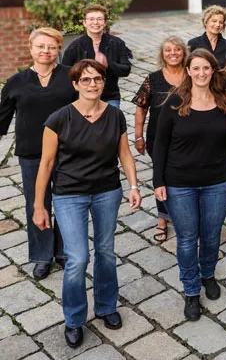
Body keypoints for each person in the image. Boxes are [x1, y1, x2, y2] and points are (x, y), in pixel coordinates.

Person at [33, 59, 142, 348]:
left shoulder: (115, 115)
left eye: (97, 79)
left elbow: (125, 154)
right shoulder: (58, 119)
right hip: (69, 194)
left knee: (105, 251)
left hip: (107, 191)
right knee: (78, 258)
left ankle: (106, 306)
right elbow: (46, 164)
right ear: (75, 84)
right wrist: (39, 206)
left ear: (103, 83)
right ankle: (74, 319)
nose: (92, 84)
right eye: (86, 79)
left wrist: (133, 185)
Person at [153, 49, 226, 321]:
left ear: (213, 70)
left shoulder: (223, 100)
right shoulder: (174, 102)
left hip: (217, 181)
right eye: (196, 68)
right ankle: (191, 289)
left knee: (212, 235)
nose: (202, 73)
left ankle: (208, 274)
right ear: (188, 71)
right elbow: (160, 144)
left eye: (206, 68)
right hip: (180, 183)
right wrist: (158, 181)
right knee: (188, 238)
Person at [0, 28, 76, 280]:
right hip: (32, 153)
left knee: (66, 201)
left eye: (52, 47)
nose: (46, 51)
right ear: (30, 48)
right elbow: (2, 119)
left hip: (67, 151)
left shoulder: (71, 76)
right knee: (37, 202)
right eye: (41, 46)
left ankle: (64, 250)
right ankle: (42, 255)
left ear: (59, 49)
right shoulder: (15, 82)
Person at [132, 36, 187, 242]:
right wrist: (138, 136)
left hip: (187, 139)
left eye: (177, 49)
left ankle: (185, 216)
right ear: (162, 55)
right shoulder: (153, 79)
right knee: (161, 176)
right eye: (168, 50)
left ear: (184, 52)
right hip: (158, 138)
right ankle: (162, 219)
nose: (173, 53)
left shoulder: (191, 75)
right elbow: (141, 108)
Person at [61, 4, 131, 108]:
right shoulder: (74, 47)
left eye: (99, 19)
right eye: (91, 19)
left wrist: (108, 64)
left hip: (109, 96)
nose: (95, 22)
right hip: (82, 98)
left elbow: (126, 70)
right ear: (84, 22)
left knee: (111, 118)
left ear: (105, 22)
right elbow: (65, 76)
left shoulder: (117, 43)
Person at [187, 5, 226, 82]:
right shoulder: (193, 44)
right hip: (200, 86)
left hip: (222, 87)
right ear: (206, 22)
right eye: (214, 21)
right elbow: (187, 70)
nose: (217, 25)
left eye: (221, 22)